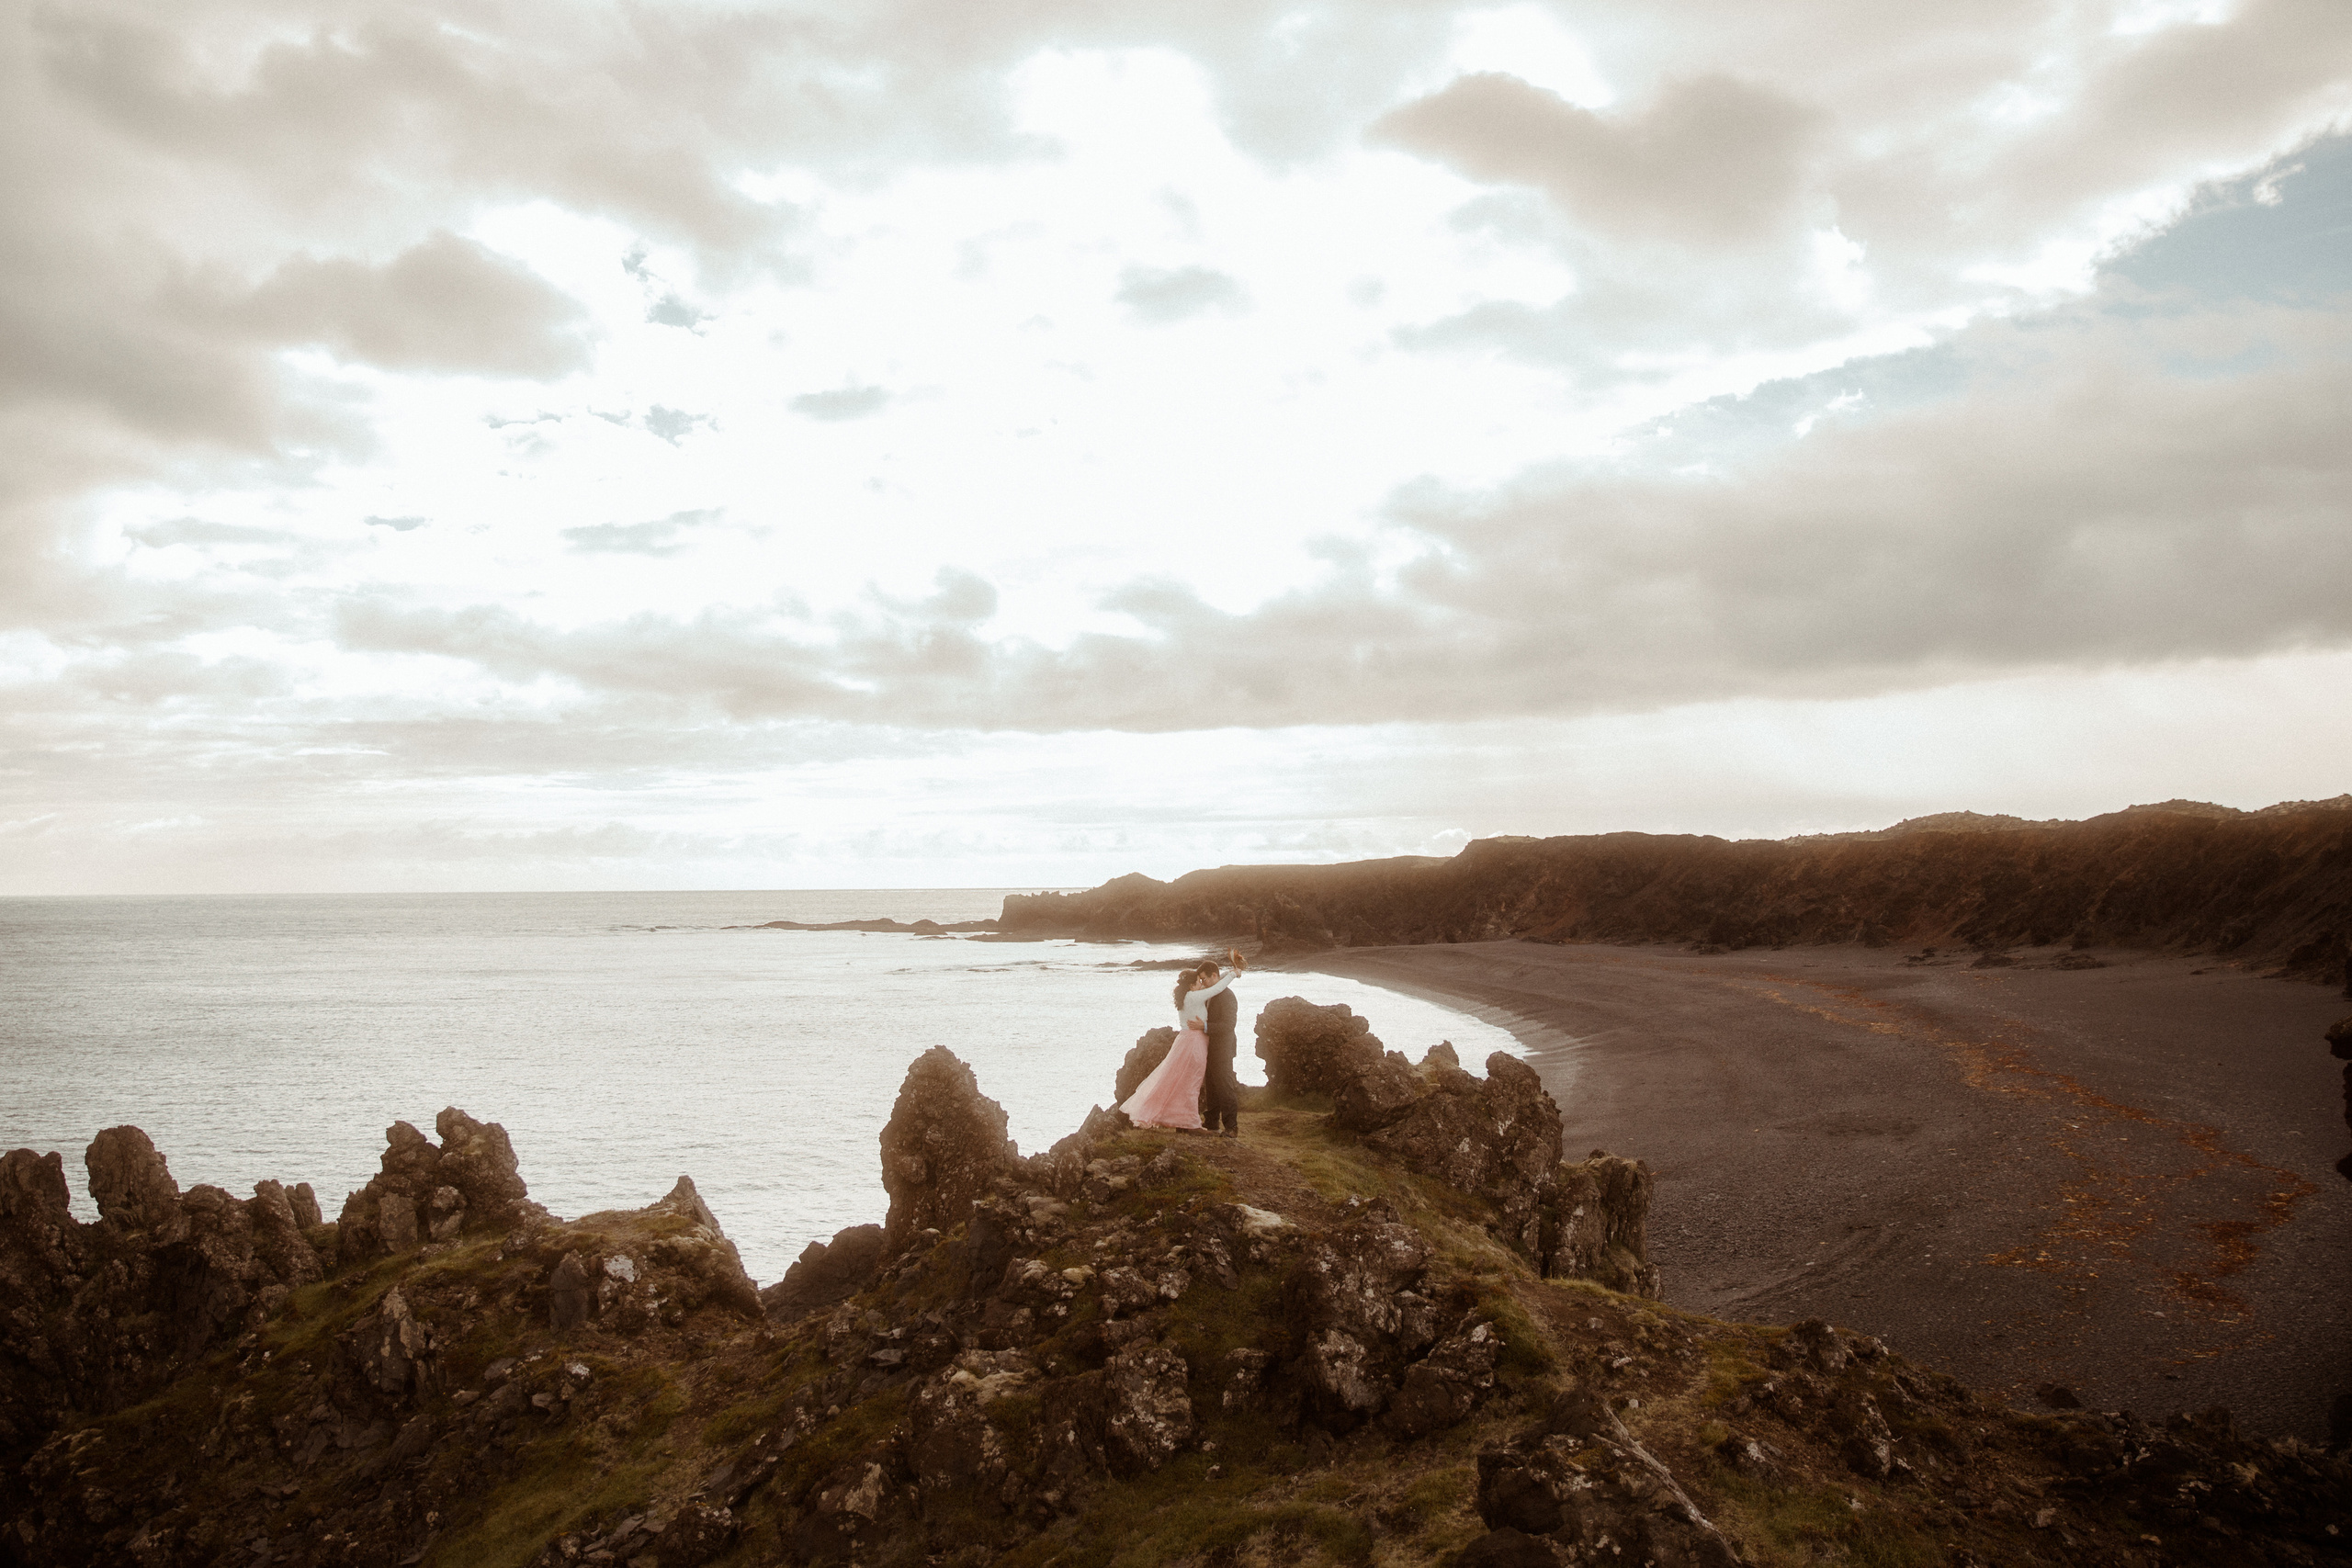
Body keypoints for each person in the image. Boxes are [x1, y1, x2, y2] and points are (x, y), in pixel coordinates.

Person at [1119, 963, 1218, 1130]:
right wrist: (1233, 974)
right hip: (1194, 1043)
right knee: (1192, 1082)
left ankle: (1181, 1118)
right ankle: (1190, 1121)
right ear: (1192, 985)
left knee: (1178, 1081)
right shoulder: (1193, 997)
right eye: (1199, 981)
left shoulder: (1186, 997)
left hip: (1187, 1041)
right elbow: (1217, 988)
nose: (1202, 984)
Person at [1197, 946, 1247, 1139]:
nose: (1202, 983)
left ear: (1215, 976)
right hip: (1210, 1048)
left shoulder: (1228, 996)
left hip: (1224, 1049)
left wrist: (1205, 1027)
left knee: (1225, 1087)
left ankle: (1231, 1127)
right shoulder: (1209, 994)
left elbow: (1229, 1025)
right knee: (1211, 1086)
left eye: (1204, 979)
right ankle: (1211, 1123)